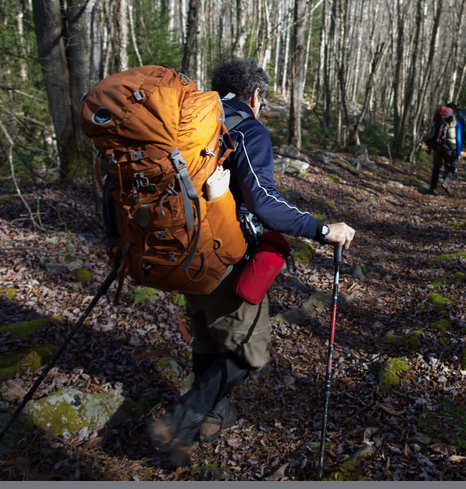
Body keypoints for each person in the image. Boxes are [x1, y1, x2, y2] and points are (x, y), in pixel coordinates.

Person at [145, 59, 356, 467]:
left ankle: (208, 421)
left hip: (182, 251)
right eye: (263, 97)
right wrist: (322, 229)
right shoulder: (246, 128)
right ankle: (180, 421)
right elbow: (263, 200)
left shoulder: (189, 125)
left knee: (209, 338)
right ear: (255, 95)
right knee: (247, 352)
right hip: (226, 257)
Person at [426, 104, 461, 196]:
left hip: (437, 145)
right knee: (453, 163)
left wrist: (429, 146)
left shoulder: (439, 120)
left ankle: (432, 188)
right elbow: (458, 139)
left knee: (436, 166)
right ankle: (446, 181)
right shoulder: (455, 122)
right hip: (449, 147)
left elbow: (432, 132)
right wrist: (458, 153)